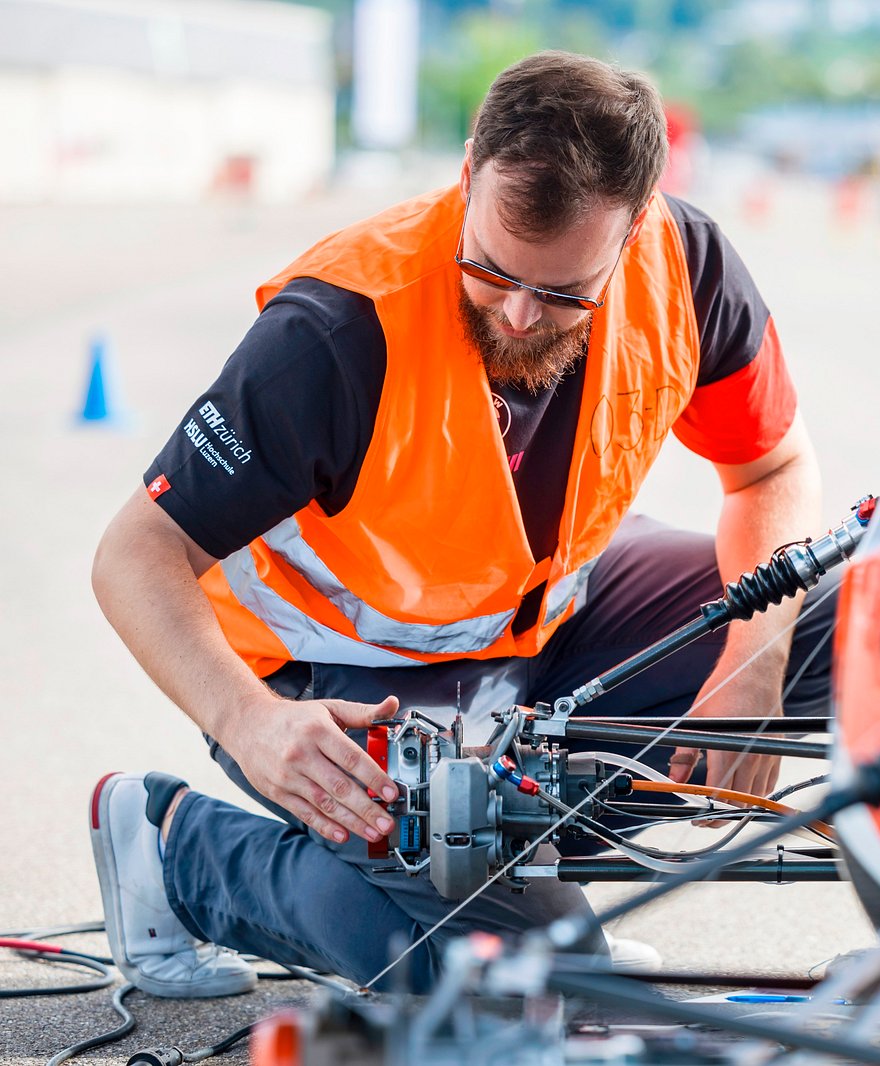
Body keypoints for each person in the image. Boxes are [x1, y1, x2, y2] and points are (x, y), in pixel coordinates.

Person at [89, 51, 834, 997]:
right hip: (344, 684)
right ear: (468, 172)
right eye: (491, 271)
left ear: (639, 224)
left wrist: (753, 664)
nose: (520, 315)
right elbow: (133, 552)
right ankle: (179, 852)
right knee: (509, 992)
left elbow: (770, 467)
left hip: (546, 624)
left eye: (565, 291)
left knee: (874, 606)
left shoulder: (687, 266)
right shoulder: (338, 329)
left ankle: (514, 881)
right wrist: (250, 720)